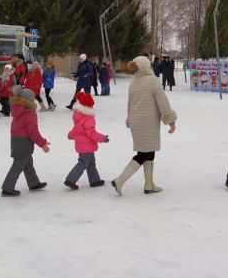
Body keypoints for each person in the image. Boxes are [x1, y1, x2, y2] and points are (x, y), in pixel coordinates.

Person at [111, 55, 177, 196]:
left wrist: (129, 119)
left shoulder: (133, 83)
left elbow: (129, 105)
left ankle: (149, 185)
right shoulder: (153, 81)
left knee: (148, 151)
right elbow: (163, 102)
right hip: (148, 122)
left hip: (136, 121)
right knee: (143, 153)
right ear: (147, 66)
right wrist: (171, 121)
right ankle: (120, 180)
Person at [1, 86, 50, 197]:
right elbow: (33, 132)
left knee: (28, 163)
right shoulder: (29, 114)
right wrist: (43, 144)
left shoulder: (18, 111)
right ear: (29, 101)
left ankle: (33, 184)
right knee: (18, 165)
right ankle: (7, 188)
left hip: (16, 141)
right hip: (24, 142)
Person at [64, 92, 109, 190]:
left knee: (91, 162)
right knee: (83, 163)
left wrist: (70, 135)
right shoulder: (88, 118)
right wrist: (102, 138)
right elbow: (91, 133)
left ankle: (94, 180)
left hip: (82, 145)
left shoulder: (78, 115)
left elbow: (76, 129)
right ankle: (71, 180)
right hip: (87, 145)